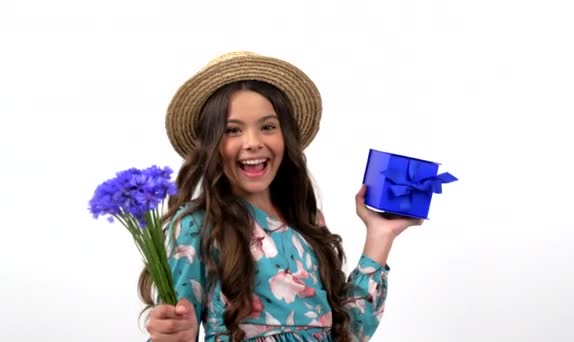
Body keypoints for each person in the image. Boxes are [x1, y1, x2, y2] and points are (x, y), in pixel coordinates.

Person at [139, 51, 423, 342]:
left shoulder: (306, 220)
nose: (253, 142)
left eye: (268, 127)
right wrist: (172, 334)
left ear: (285, 137)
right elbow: (174, 326)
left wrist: (380, 235)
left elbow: (347, 332)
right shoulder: (196, 226)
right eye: (232, 130)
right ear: (211, 145)